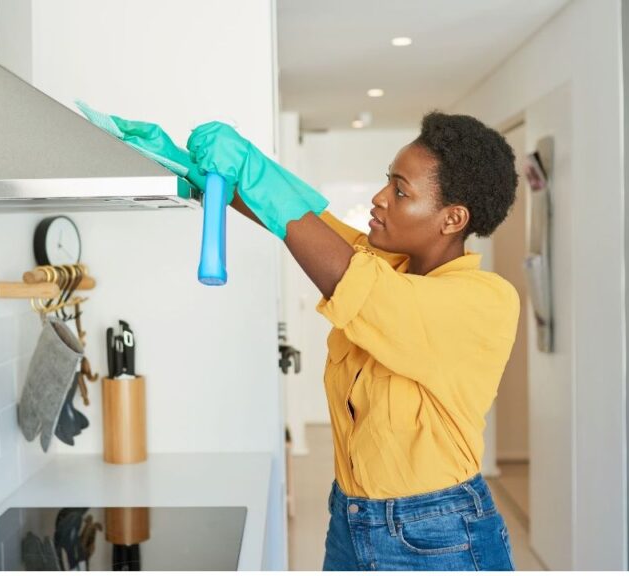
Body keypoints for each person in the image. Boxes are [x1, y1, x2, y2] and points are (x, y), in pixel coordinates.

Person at [103, 110, 520, 571]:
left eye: (400, 191)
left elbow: (352, 279)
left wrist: (250, 167)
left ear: (452, 218)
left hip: (437, 533)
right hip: (351, 515)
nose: (379, 198)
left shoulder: (484, 301)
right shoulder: (384, 263)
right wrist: (189, 170)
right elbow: (306, 217)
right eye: (387, 181)